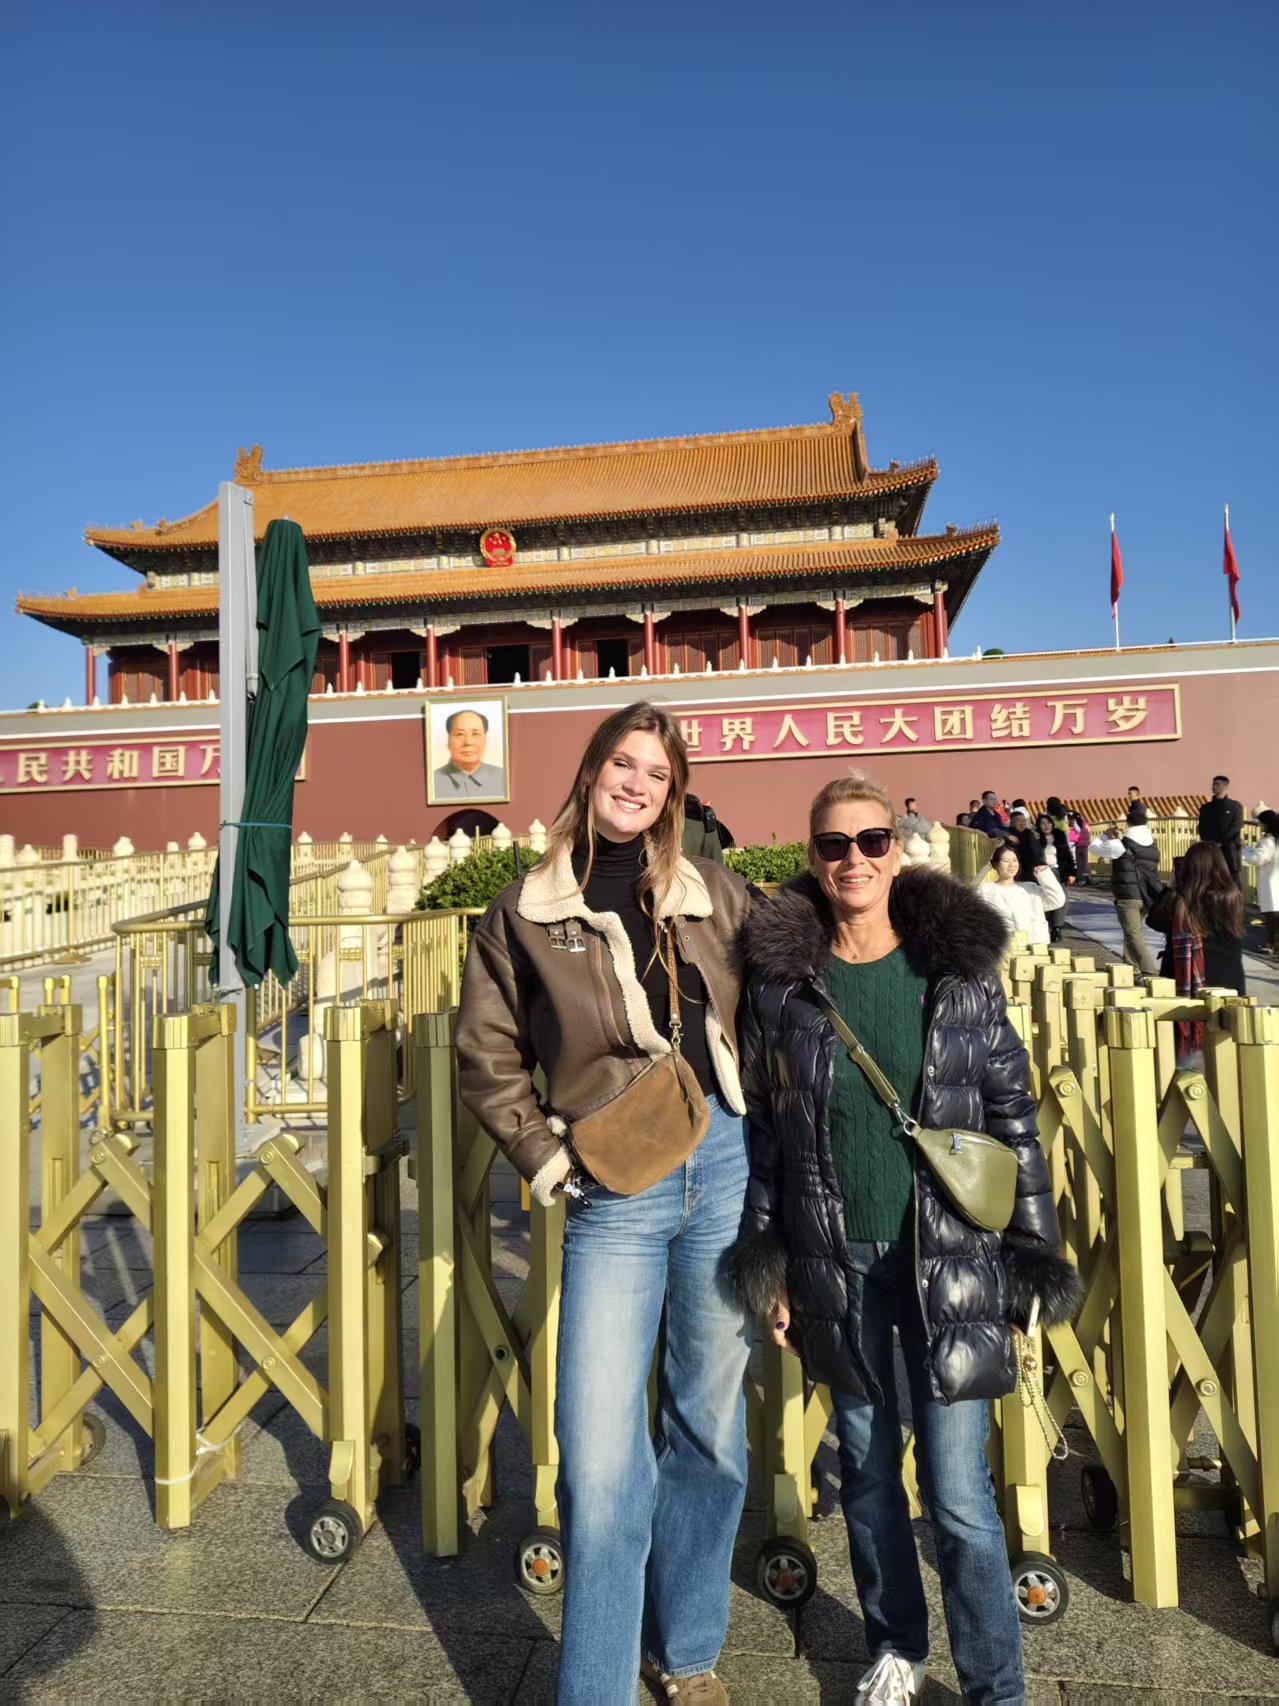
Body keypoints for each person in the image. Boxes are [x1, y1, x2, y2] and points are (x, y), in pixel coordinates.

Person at [726, 772, 1079, 1706]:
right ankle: (895, 1643)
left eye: (871, 841)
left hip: (951, 1259)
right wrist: (769, 1265)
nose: (853, 861)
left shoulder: (955, 971)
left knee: (959, 1496)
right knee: (871, 1478)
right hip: (835, 1257)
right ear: (812, 856)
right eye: (834, 845)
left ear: (899, 848)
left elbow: (1012, 1116)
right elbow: (771, 1133)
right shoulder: (785, 988)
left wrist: (1030, 1255)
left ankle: (994, 1681)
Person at [454, 702, 753, 1705]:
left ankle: (690, 1647)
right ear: (589, 771)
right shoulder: (523, 911)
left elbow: (788, 989)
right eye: (621, 763)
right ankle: (594, 1686)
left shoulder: (710, 889)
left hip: (722, 1161)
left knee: (708, 1423)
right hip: (614, 1185)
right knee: (598, 1447)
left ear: (675, 792)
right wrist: (546, 1158)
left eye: (656, 772)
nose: (635, 783)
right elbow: (486, 1054)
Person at [1162, 841, 1247, 1053]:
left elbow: (1154, 920)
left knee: (1185, 1060)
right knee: (1225, 1056)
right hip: (1230, 983)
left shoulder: (1184, 902)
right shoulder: (1233, 898)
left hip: (1191, 990)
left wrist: (1174, 885)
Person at [1089, 808, 1164, 977]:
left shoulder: (1120, 845)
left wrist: (1105, 836)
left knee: (1133, 934)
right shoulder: (1153, 846)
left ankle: (1150, 971)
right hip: (1146, 895)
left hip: (1128, 895)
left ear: (1128, 823)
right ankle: (1129, 967)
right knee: (1132, 932)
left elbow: (1093, 848)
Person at [978, 839, 1065, 946]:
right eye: (1006, 861)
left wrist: (1045, 875)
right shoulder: (986, 891)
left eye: (1015, 860)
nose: (1011, 865)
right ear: (996, 865)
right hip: (1002, 949)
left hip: (1036, 947)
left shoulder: (1030, 888)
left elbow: (1057, 900)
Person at [431, 707, 507, 796]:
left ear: (485, 740)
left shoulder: (504, 778)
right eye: (460, 734)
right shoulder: (432, 781)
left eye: (475, 734)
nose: (468, 742)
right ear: (448, 741)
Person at [1197, 775, 1244, 887]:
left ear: (1226, 786)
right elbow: (1201, 826)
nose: (1214, 786)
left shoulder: (1235, 806)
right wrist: (1208, 843)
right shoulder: (1206, 807)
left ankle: (1235, 902)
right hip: (1211, 848)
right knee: (1211, 877)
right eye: (1213, 784)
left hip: (1230, 849)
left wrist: (1221, 842)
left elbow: (1236, 825)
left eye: (1217, 784)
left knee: (1233, 879)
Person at [1243, 809, 1279, 955]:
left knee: (1272, 920)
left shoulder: (1268, 842)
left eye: (1261, 824)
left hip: (1270, 886)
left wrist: (1245, 849)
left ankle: (1272, 945)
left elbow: (1257, 858)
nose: (1260, 827)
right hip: (1276, 884)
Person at [1067, 809, 1092, 885]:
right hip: (1085, 845)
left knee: (1079, 863)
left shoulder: (1075, 824)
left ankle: (1081, 879)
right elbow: (1089, 831)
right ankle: (1087, 877)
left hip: (1078, 845)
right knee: (1085, 862)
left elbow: (1077, 832)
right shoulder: (1085, 823)